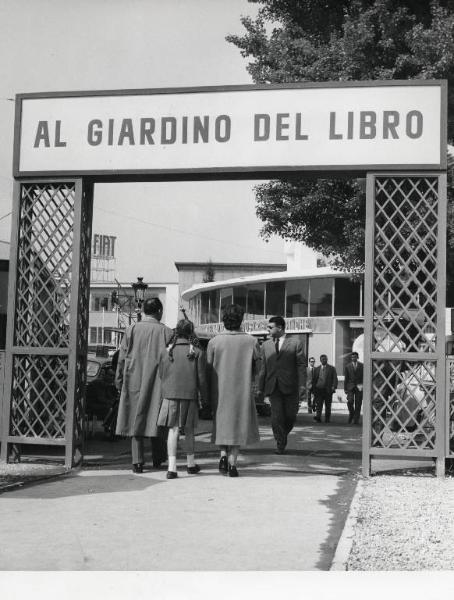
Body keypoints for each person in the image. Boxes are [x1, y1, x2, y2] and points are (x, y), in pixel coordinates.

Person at [115, 297, 173, 473]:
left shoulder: (131, 329)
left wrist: (118, 379)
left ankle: (137, 461)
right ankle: (158, 457)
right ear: (160, 312)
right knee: (158, 419)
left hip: (134, 378)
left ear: (145, 311)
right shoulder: (167, 333)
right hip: (159, 380)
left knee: (136, 419)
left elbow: (122, 357)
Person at [206, 304, 260, 477]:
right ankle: (233, 463)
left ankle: (222, 455)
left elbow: (208, 367)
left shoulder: (214, 342)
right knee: (238, 424)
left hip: (219, 389)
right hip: (241, 389)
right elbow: (258, 367)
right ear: (241, 320)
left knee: (221, 423)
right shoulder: (251, 341)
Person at [157, 319, 208, 479]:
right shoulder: (198, 352)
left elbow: (161, 375)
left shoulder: (165, 351)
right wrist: (205, 398)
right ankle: (191, 464)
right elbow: (202, 379)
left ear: (176, 332)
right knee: (189, 431)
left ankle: (172, 468)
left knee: (172, 431)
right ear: (191, 332)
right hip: (189, 395)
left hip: (170, 394)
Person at [257, 316, 306, 454]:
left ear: (280, 328)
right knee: (276, 417)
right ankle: (280, 443)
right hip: (273, 387)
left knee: (290, 416)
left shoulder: (296, 343)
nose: (268, 329)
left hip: (291, 386)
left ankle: (282, 435)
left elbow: (301, 366)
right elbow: (263, 369)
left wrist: (303, 386)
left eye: (270, 327)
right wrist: (260, 388)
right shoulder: (265, 345)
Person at [313, 354, 338, 423]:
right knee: (319, 405)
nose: (323, 360)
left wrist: (334, 386)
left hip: (328, 390)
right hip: (319, 389)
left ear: (327, 359)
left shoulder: (331, 368)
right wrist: (314, 389)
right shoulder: (317, 369)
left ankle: (327, 419)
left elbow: (335, 378)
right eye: (322, 359)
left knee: (328, 405)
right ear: (320, 360)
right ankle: (318, 417)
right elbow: (314, 380)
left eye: (325, 359)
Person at [344, 351, 363, 424]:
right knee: (350, 401)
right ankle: (351, 413)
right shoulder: (347, 366)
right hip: (350, 387)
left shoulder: (362, 366)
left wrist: (363, 386)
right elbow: (346, 378)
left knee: (358, 404)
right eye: (352, 357)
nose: (353, 358)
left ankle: (356, 420)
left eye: (355, 357)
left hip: (359, 386)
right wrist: (345, 388)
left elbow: (364, 377)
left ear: (357, 357)